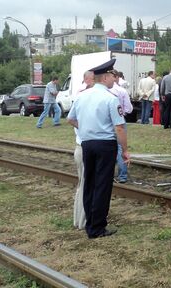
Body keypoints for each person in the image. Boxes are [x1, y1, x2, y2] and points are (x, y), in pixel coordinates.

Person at [67, 59, 129, 239]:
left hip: (87, 144)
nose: (114, 79)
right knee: (102, 185)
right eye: (112, 75)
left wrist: (86, 127)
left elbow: (70, 119)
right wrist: (124, 150)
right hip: (105, 145)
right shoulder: (110, 98)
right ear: (105, 77)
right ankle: (98, 227)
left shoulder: (82, 96)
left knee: (90, 183)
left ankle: (90, 224)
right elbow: (119, 128)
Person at [72, 70, 94, 230]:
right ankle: (84, 221)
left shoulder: (79, 97)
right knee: (88, 185)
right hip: (86, 147)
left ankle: (78, 220)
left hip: (80, 146)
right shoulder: (86, 98)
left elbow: (70, 119)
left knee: (82, 184)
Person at [110, 72, 133, 183]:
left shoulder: (104, 91)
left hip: (106, 122)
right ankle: (122, 175)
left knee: (107, 146)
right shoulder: (122, 91)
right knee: (121, 148)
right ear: (117, 78)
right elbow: (129, 108)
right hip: (119, 120)